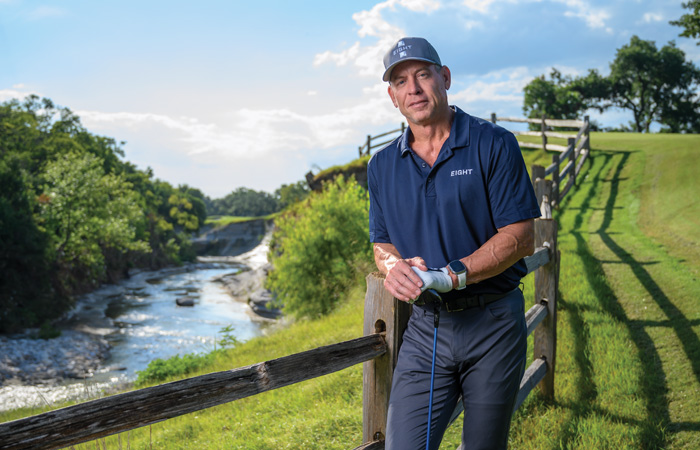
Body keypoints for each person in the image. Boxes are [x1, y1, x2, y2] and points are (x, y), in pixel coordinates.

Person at [367, 37, 541, 450]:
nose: (413, 89)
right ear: (392, 97)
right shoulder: (382, 165)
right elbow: (381, 243)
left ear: (444, 77)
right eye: (401, 81)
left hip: (493, 322)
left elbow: (521, 237)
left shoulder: (493, 143)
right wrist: (394, 268)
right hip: (426, 329)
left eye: (422, 75)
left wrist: (451, 276)